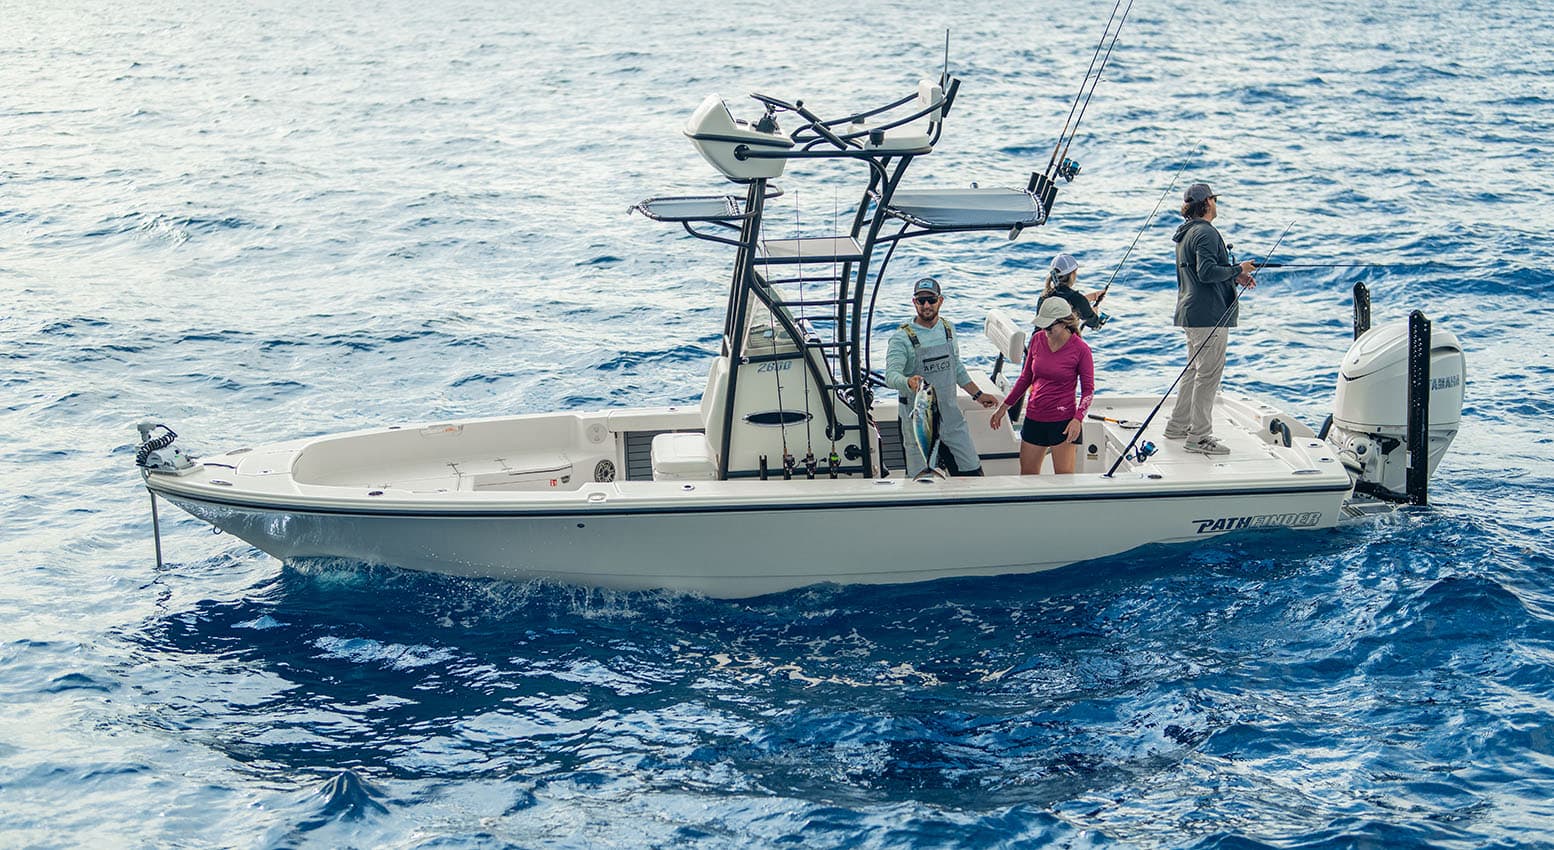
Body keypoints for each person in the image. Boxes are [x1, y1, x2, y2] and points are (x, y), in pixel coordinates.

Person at [1163, 182, 1257, 456]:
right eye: (1214, 199)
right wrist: (1238, 268)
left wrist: (1233, 274)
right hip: (1209, 316)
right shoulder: (1205, 233)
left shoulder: (1186, 233)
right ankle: (1199, 437)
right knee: (1208, 375)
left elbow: (1203, 270)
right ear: (1206, 203)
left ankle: (1177, 426)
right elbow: (1206, 272)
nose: (1216, 203)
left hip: (1192, 313)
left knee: (1194, 371)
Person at [885, 276, 999, 476]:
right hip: (919, 423)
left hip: (951, 418)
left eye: (931, 299)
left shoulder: (948, 328)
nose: (926, 305)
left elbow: (956, 368)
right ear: (914, 302)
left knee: (973, 474)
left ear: (941, 301)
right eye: (921, 301)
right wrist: (908, 382)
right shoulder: (901, 338)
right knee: (921, 482)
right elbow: (891, 376)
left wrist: (978, 395)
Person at [990, 298, 1094, 474]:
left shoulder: (1081, 350)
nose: (1044, 331)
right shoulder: (1037, 339)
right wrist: (1003, 408)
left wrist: (1077, 419)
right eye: (1042, 326)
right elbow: (1025, 378)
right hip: (1034, 417)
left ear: (1063, 323)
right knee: (1027, 477)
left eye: (1048, 327)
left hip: (1063, 423)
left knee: (1064, 481)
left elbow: (1088, 391)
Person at [1037, 252, 1104, 332]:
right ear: (1072, 274)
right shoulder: (1077, 299)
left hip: (1036, 341)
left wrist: (1091, 297)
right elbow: (1095, 324)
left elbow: (1064, 302)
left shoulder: (1044, 296)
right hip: (1058, 343)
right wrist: (1094, 312)